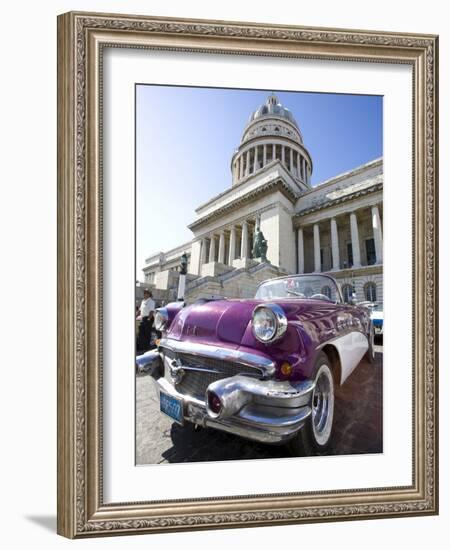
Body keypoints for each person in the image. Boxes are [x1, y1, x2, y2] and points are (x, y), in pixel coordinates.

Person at [136, 289, 155, 353]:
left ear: (149, 294)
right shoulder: (143, 301)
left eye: (146, 293)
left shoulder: (151, 301)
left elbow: (151, 311)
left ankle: (146, 347)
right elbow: (140, 310)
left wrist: (149, 319)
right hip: (143, 318)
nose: (144, 294)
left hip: (148, 318)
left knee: (147, 333)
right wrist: (135, 315)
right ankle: (141, 347)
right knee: (141, 333)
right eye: (144, 293)